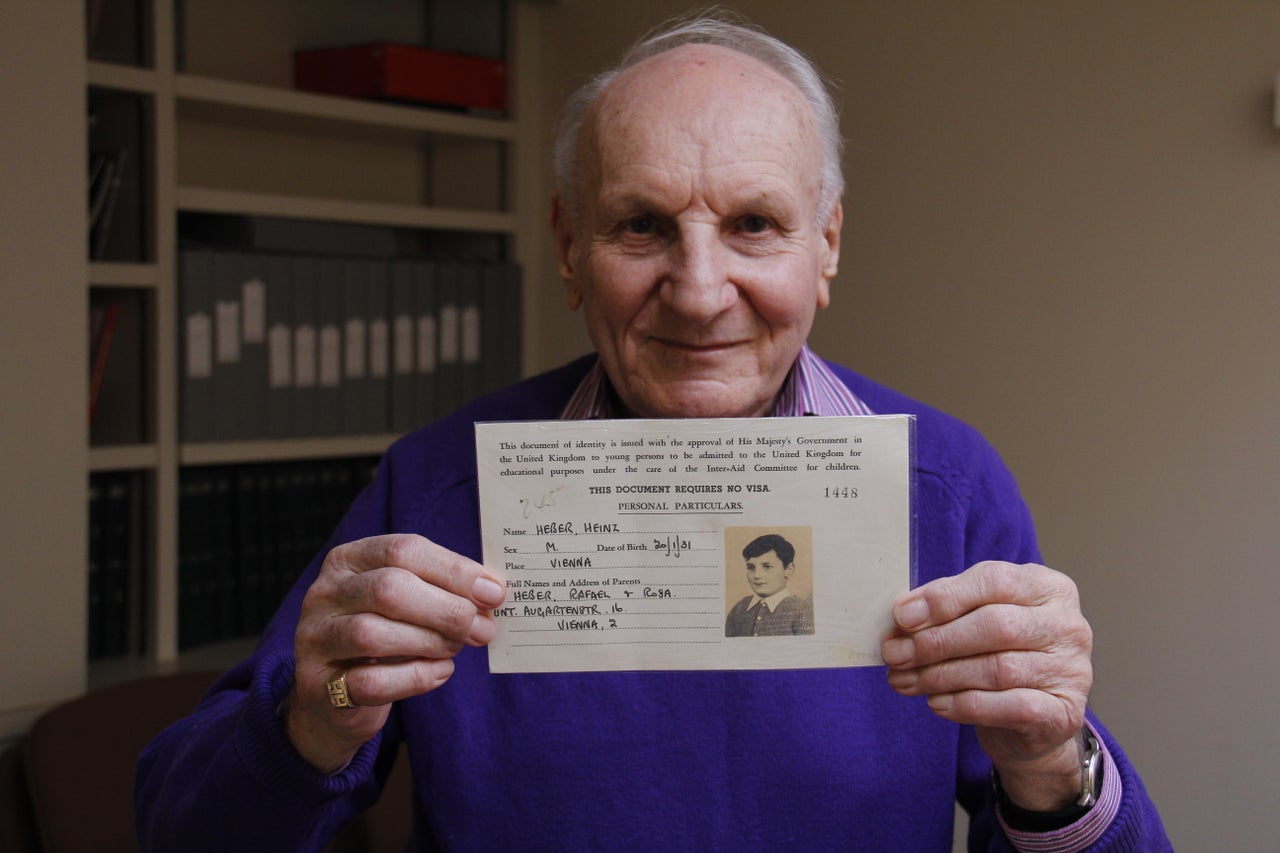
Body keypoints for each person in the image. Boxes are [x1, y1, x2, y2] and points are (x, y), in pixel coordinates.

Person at [136, 12, 1171, 852]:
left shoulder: (942, 486)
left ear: (826, 244)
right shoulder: (440, 486)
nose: (697, 289)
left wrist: (1049, 766)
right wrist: (308, 728)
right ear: (569, 245)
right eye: (640, 224)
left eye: (752, 224)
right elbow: (181, 832)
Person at [726, 532, 815, 636]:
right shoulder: (739, 608)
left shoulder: (802, 610)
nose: (757, 575)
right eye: (751, 567)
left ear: (788, 570)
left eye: (767, 567)